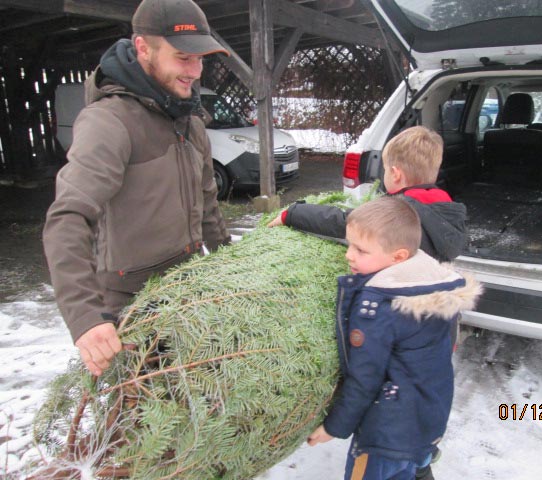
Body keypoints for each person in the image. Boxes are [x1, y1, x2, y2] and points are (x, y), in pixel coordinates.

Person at [43, 0, 231, 377]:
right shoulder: (109, 122)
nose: (195, 72)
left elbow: (207, 201)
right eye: (183, 58)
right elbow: (67, 218)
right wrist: (86, 317)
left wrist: (230, 264)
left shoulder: (189, 120)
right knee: (139, 423)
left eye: (200, 60)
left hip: (186, 287)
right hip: (131, 306)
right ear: (143, 48)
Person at [306, 197, 481, 480]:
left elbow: (365, 378)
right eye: (349, 244)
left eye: (361, 250)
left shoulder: (379, 306)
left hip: (384, 436)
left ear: (398, 256)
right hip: (428, 420)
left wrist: (334, 427)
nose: (349, 255)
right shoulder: (431, 284)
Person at [267, 126, 467, 263]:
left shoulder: (397, 212)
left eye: (386, 170)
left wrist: (293, 213)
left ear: (396, 174)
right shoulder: (447, 210)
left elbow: (346, 222)